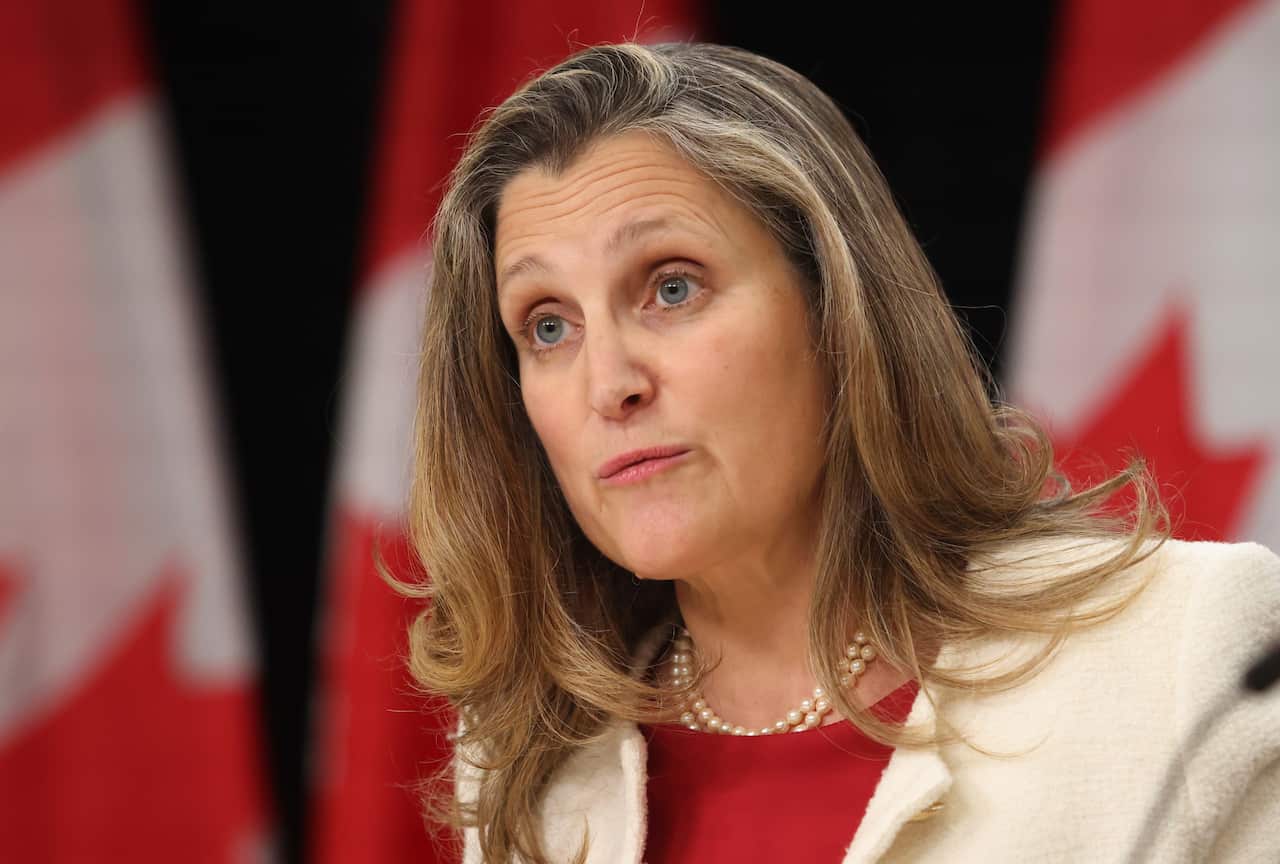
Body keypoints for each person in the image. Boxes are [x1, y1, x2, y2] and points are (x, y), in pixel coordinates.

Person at [394, 41, 1280, 863]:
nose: (608, 383)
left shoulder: (1178, 659)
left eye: (671, 287)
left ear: (837, 312)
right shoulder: (530, 766)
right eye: (548, 326)